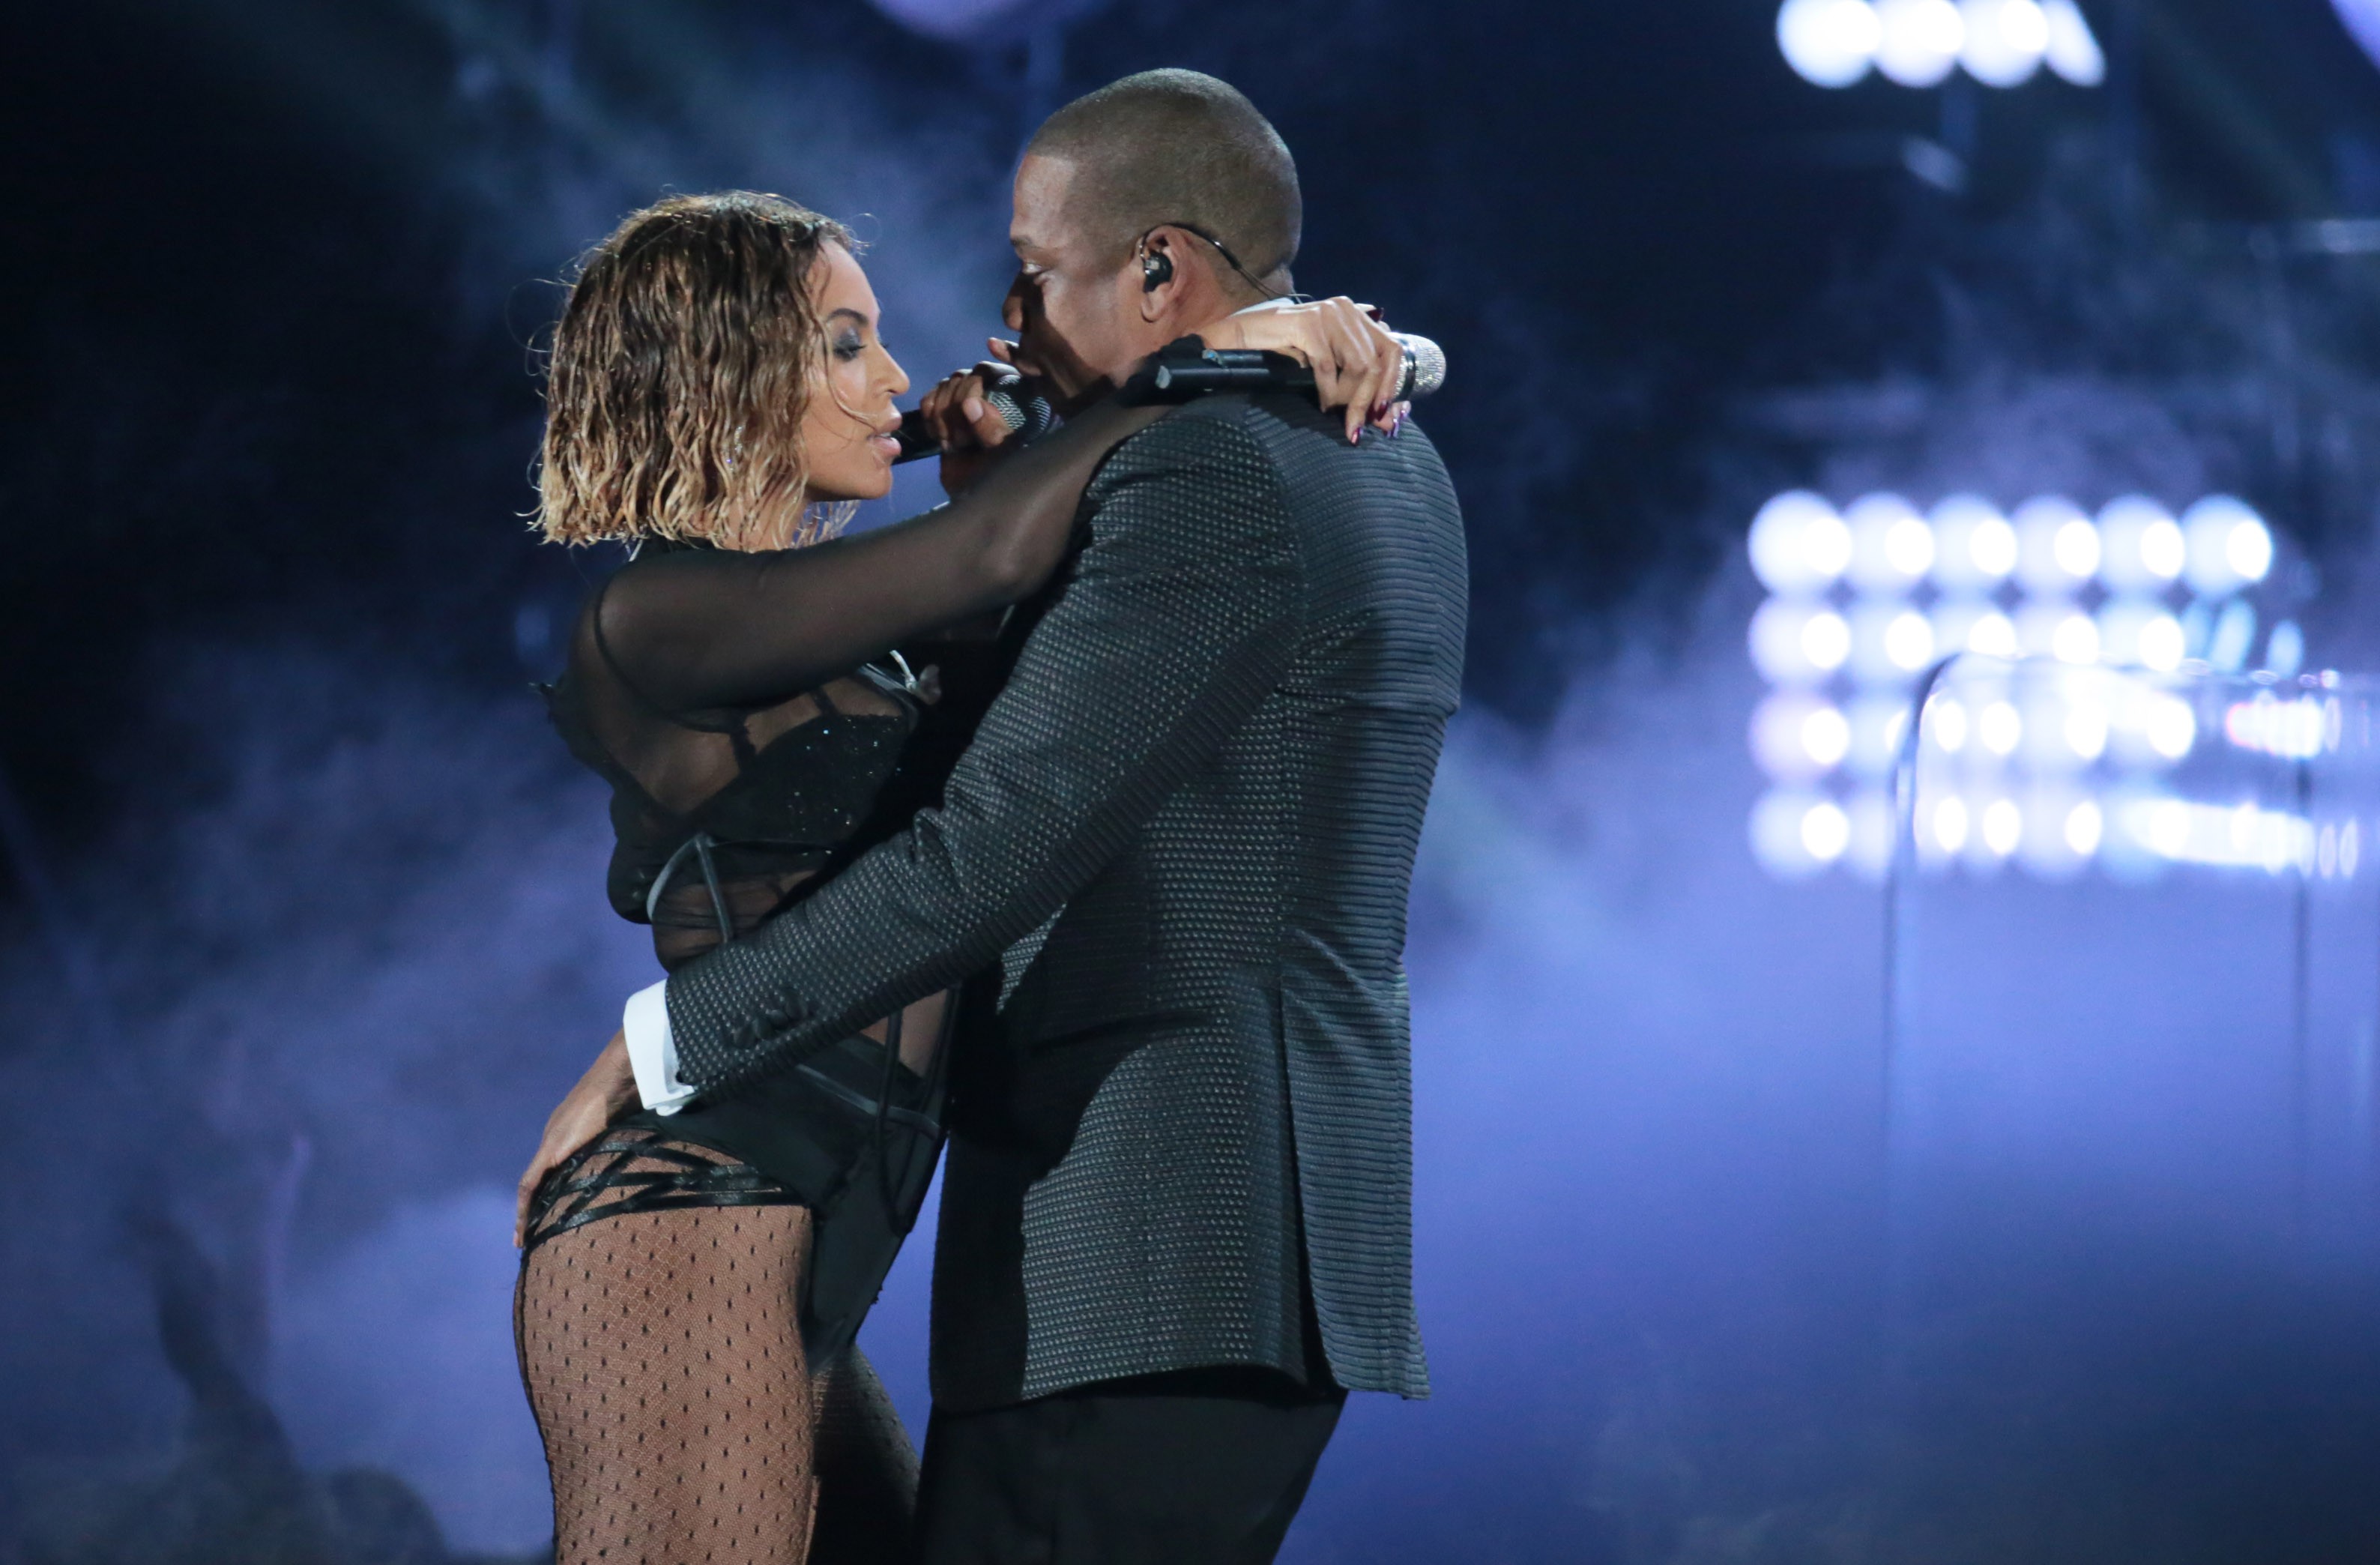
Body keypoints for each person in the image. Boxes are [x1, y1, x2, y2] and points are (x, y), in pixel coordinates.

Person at [547, 70, 1470, 1564]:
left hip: (1140, 1238)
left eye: (1034, 277)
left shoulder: (1214, 462)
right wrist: (1220, 368)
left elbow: (987, 847)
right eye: (840, 342)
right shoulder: (1377, 456)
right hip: (1140, 1244)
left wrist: (657, 1044)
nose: (997, 332)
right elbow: (1006, 649)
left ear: (1158, 265)